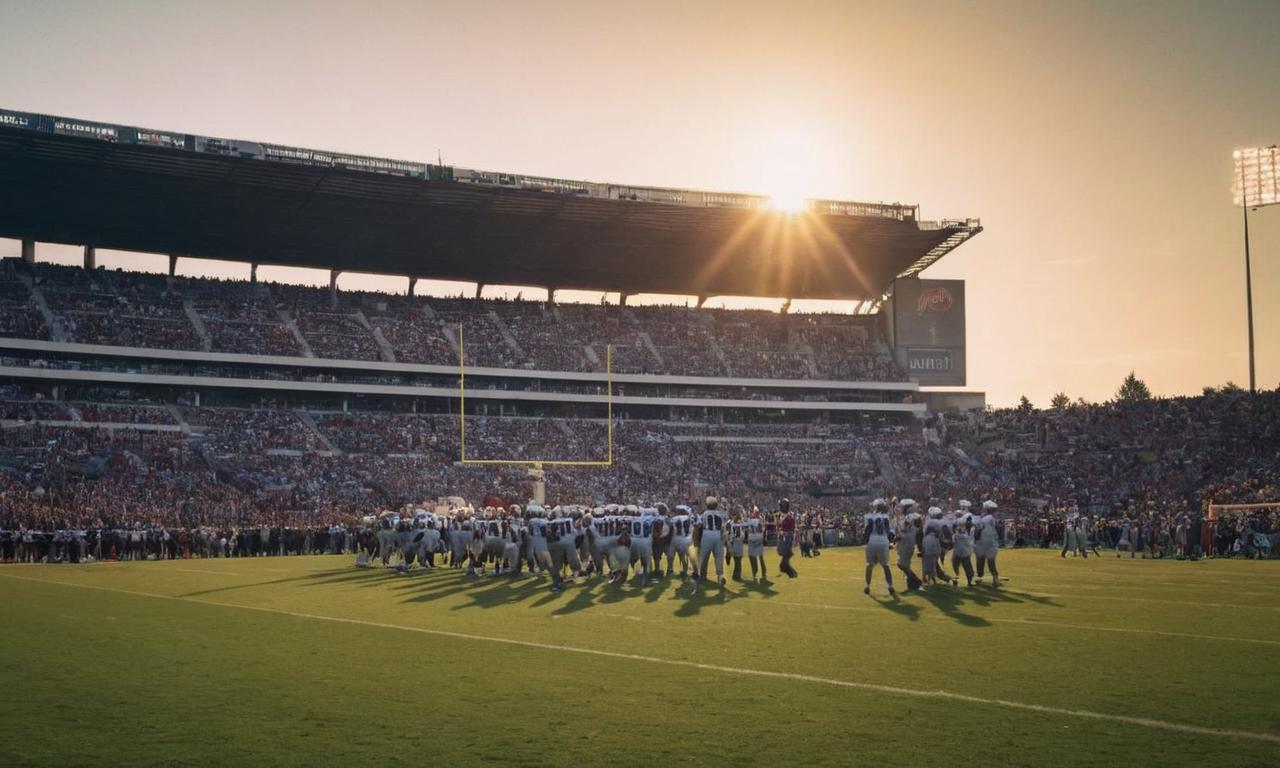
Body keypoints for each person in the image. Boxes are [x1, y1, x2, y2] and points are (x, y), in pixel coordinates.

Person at [862, 498, 895, 596]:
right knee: (885, 565)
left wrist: (866, 541)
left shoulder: (869, 516)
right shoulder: (888, 517)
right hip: (884, 541)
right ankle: (890, 586)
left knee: (869, 564)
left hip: (872, 540)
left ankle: (867, 586)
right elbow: (891, 533)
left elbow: (867, 530)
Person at [694, 496, 726, 588]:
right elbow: (723, 527)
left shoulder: (704, 514)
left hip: (707, 534)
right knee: (719, 557)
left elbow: (699, 525)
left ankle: (703, 576)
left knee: (704, 556)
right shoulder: (721, 514)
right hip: (718, 534)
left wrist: (697, 540)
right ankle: (720, 576)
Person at [895, 499, 923, 592]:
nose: (901, 508)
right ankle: (912, 585)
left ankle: (916, 581)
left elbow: (918, 529)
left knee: (902, 564)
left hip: (908, 542)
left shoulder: (913, 517)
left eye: (903, 507)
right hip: (903, 542)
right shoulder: (904, 517)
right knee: (905, 565)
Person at [974, 500, 1001, 587]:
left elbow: (978, 530)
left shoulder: (984, 519)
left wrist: (975, 539)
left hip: (983, 542)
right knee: (991, 561)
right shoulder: (991, 519)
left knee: (980, 560)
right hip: (992, 543)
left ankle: (979, 577)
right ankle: (995, 578)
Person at [777, 498, 798, 579]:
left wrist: (783, 531)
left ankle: (793, 574)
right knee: (783, 561)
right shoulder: (785, 517)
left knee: (784, 560)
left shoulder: (789, 517)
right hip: (785, 538)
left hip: (787, 539)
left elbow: (791, 528)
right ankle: (791, 573)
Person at [746, 510, 767, 581]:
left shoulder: (758, 520)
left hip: (755, 538)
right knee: (756, 557)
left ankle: (760, 573)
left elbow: (762, 529)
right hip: (755, 538)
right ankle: (756, 573)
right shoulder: (756, 520)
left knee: (758, 557)